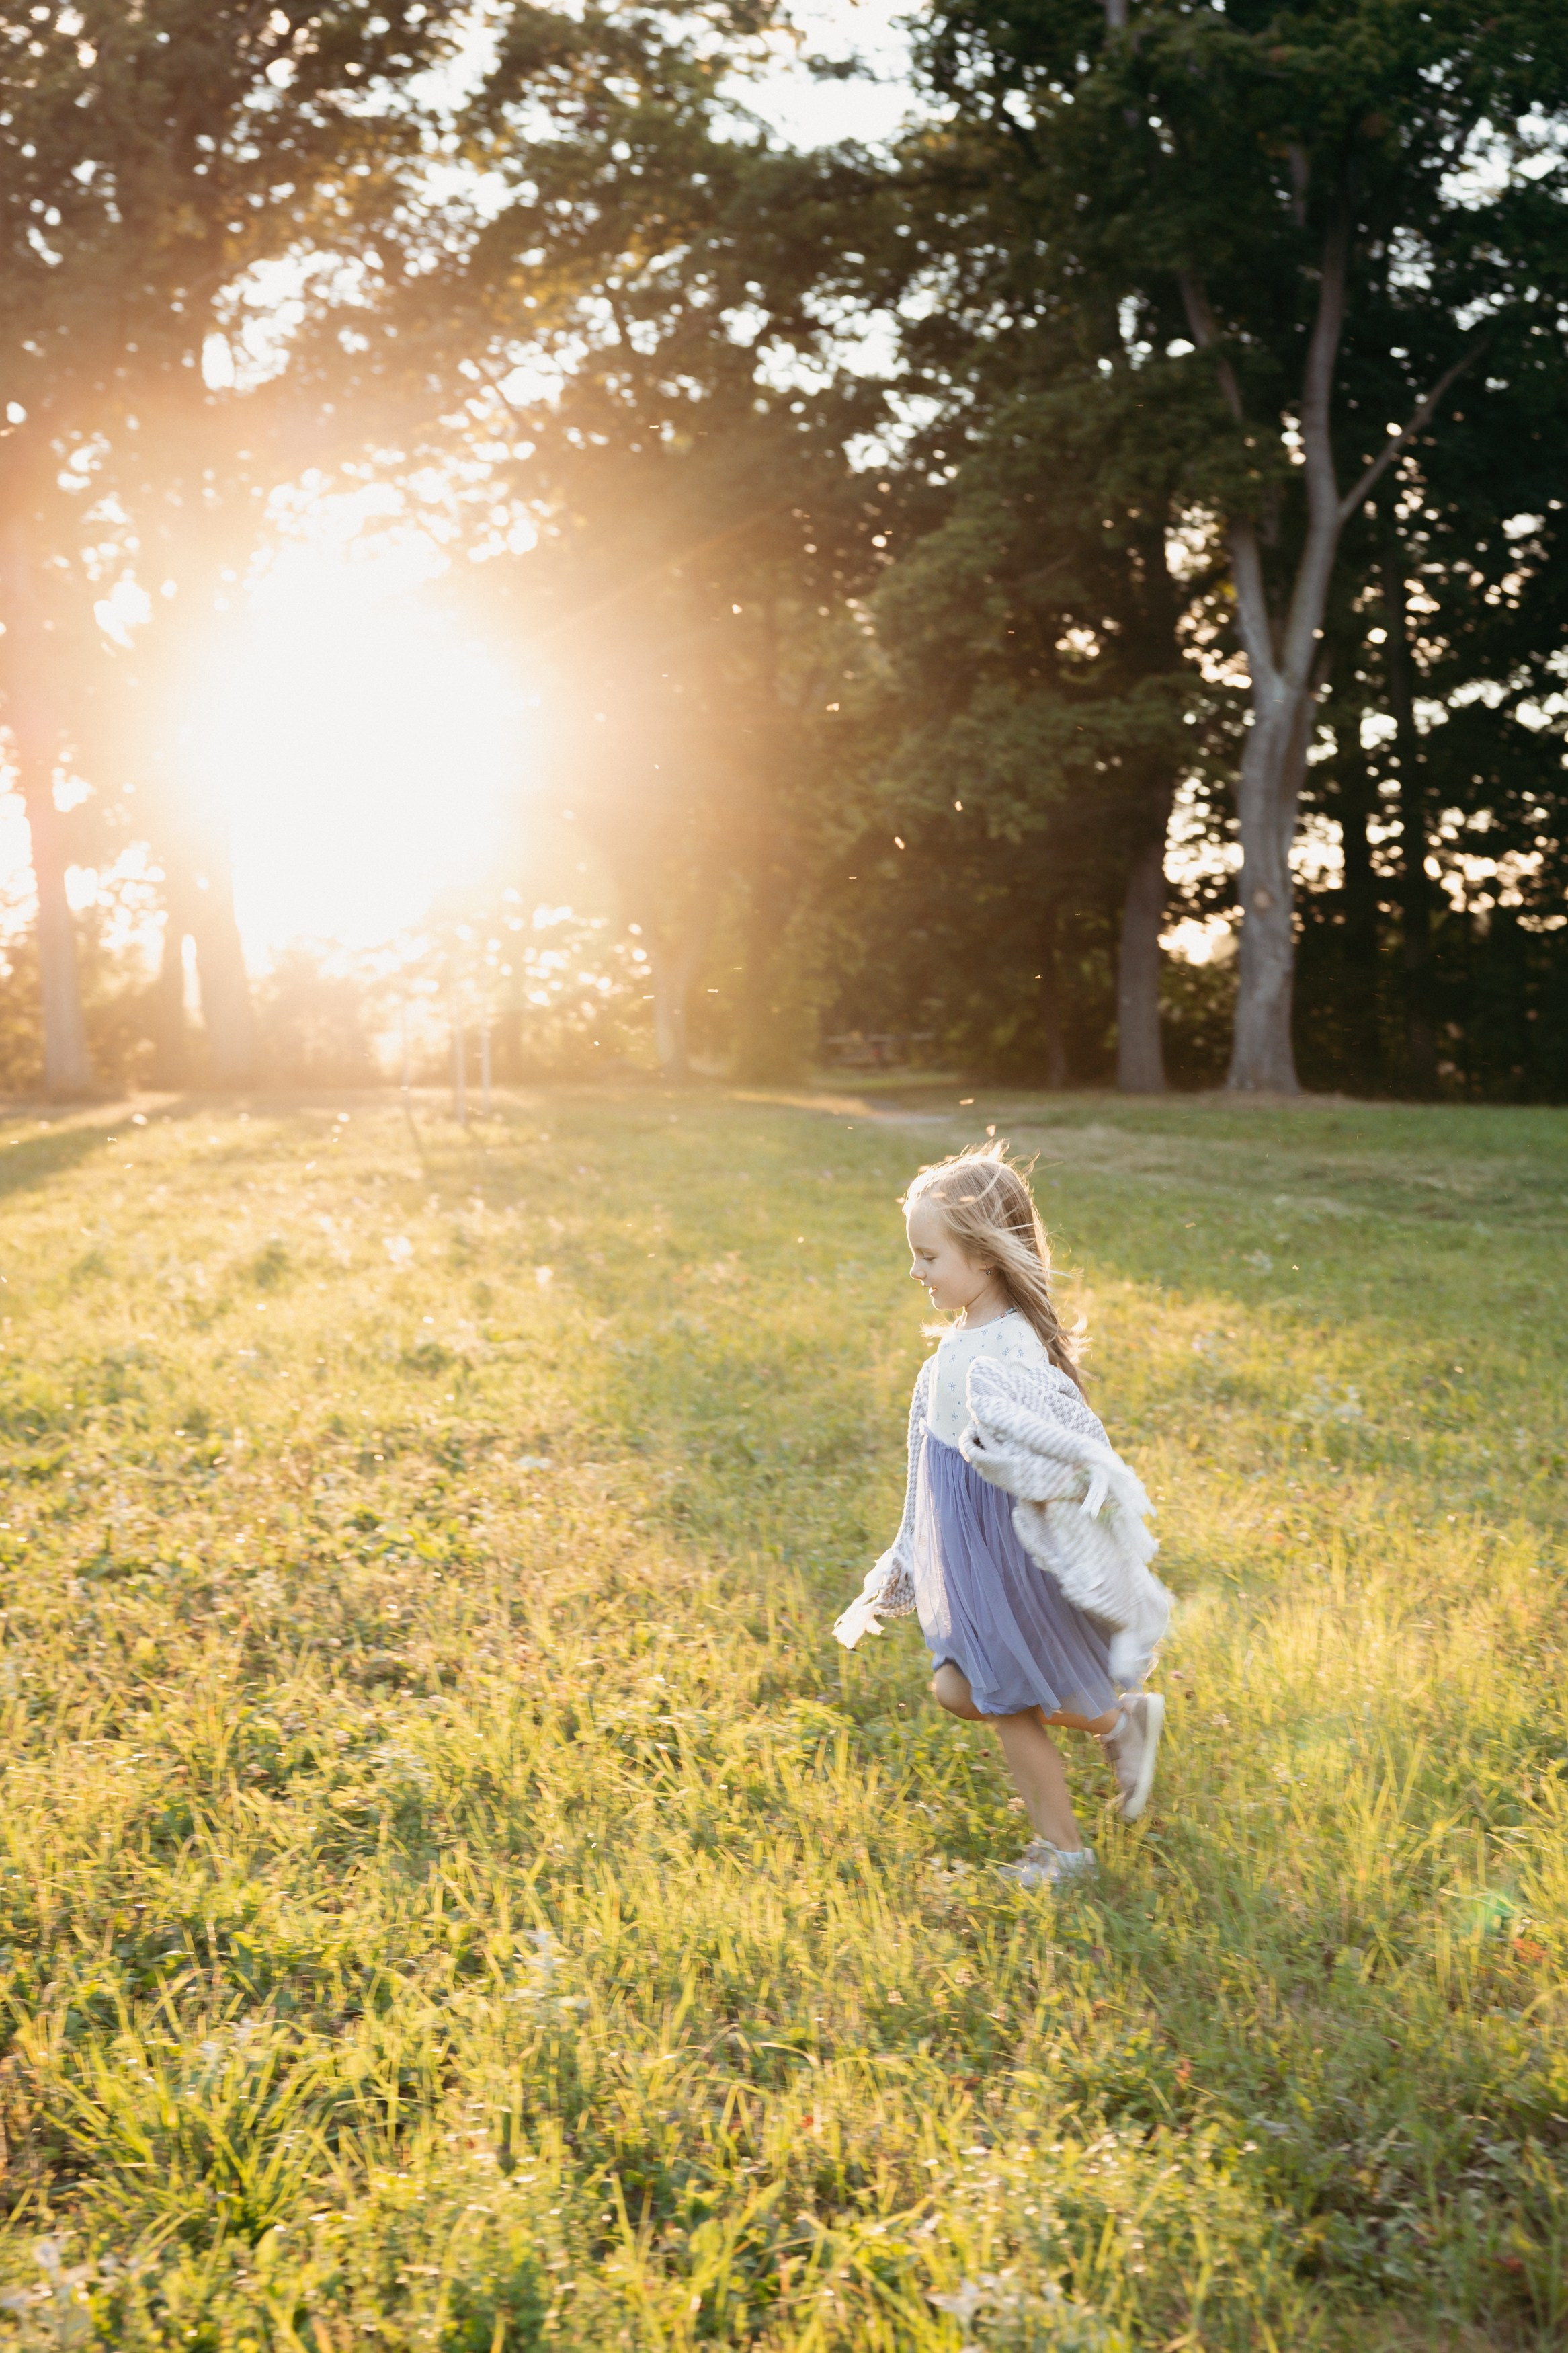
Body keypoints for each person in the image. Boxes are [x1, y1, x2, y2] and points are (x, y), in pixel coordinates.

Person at [834, 1143, 1167, 1888]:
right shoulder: (953, 1349)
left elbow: (1066, 1437)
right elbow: (927, 1465)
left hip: (1007, 1551)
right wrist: (906, 1554)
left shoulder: (1011, 1352)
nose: (915, 1271)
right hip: (966, 1550)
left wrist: (1085, 1510)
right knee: (957, 1690)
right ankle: (1120, 1725)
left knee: (1006, 1699)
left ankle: (1063, 1855)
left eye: (928, 1255)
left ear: (984, 1258)